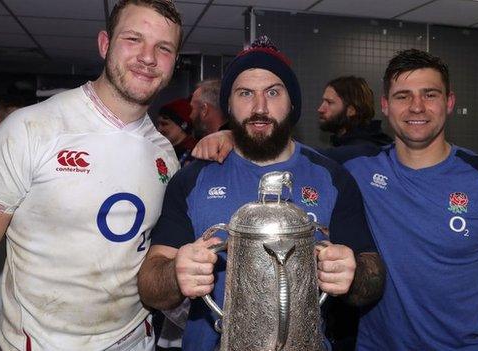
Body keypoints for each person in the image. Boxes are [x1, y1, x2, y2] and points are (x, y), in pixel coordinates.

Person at [192, 49, 478, 350]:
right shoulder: (354, 171)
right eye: (404, 96)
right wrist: (233, 135)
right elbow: (286, 153)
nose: (417, 106)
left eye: (430, 94)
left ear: (449, 103)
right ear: (387, 107)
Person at [0, 1, 183, 350]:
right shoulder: (30, 130)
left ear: (174, 62)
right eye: (133, 39)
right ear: (105, 44)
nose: (148, 57)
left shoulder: (164, 154)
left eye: (163, 48)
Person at [137, 36, 385, 351]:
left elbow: (373, 277)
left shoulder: (332, 178)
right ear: (228, 105)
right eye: (245, 94)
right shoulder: (193, 179)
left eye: (272, 92)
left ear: (292, 103)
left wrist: (354, 273)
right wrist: (174, 274)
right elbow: (149, 285)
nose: (259, 107)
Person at [317, 76, 391, 148]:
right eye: (323, 101)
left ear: (351, 111)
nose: (320, 109)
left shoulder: (359, 152)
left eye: (329, 102)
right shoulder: (365, 143)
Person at [156, 98, 198, 165]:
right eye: (158, 124)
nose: (159, 129)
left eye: (164, 124)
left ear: (182, 126)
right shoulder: (160, 151)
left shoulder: (196, 153)